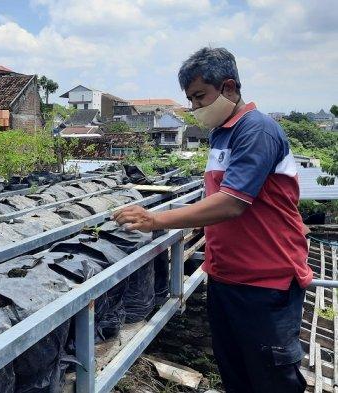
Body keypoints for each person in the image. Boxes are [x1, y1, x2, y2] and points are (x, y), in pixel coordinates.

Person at [113, 47, 311, 393]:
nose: (194, 108)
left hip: (266, 282)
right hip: (226, 276)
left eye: (200, 96)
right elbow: (215, 199)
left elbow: (232, 203)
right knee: (237, 375)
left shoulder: (256, 130)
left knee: (271, 380)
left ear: (230, 87)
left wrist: (155, 219)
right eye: (190, 99)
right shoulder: (222, 133)